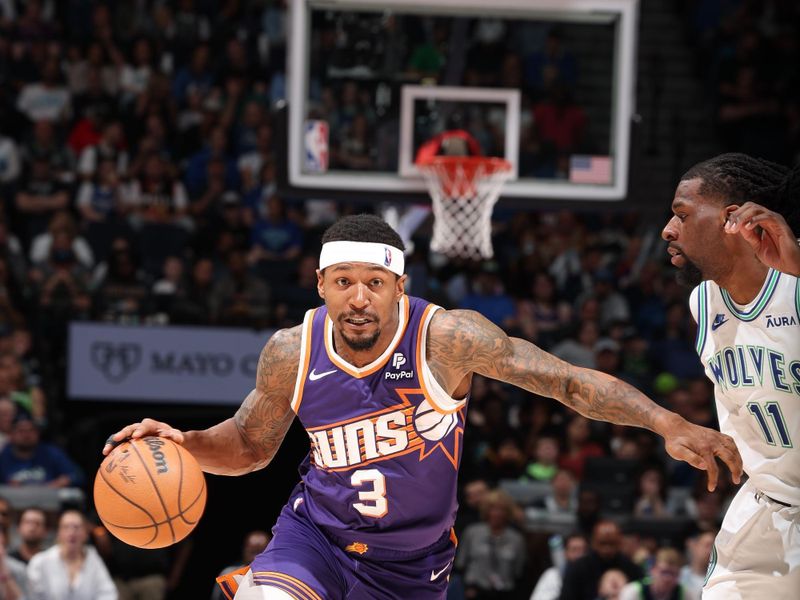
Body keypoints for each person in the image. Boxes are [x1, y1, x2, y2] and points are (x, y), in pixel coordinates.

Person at [105, 214, 741, 600]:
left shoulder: (447, 339)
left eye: (375, 284)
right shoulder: (290, 352)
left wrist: (668, 422)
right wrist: (184, 443)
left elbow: (567, 382)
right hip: (317, 536)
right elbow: (248, 446)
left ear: (399, 287)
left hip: (413, 566)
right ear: (321, 284)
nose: (359, 298)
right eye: (344, 282)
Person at [661, 152, 800, 598]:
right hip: (765, 515)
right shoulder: (704, 304)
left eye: (682, 214)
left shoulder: (795, 282)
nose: (668, 229)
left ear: (732, 219)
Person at [27, 509, 117, 600]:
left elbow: (108, 594)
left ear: (85, 534)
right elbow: (32, 595)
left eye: (76, 527)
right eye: (66, 527)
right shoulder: (40, 561)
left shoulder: (93, 560)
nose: (71, 532)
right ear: (59, 533)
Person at [455, 490, 526, 599]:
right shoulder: (472, 532)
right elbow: (461, 564)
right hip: (475, 592)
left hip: (505, 593)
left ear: (507, 513)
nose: (497, 513)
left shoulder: (516, 539)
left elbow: (518, 572)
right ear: (486, 511)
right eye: (493, 509)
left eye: (501, 510)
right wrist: (467, 588)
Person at [559, 520, 642, 600]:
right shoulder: (577, 569)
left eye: (612, 543)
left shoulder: (632, 569)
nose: (607, 549)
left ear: (620, 542)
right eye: (603, 543)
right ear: (593, 542)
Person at [618, 548, 698, 600]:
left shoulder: (687, 595)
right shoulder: (632, 592)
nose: (668, 578)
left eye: (673, 574)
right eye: (664, 572)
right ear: (653, 570)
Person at [212, 531, 271, 600]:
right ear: (244, 550)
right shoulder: (228, 575)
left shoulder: (278, 578)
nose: (255, 558)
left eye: (260, 552)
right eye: (252, 552)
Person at [530, 532, 587, 600]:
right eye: (574, 550)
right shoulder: (552, 575)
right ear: (566, 552)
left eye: (582, 550)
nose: (578, 555)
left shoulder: (593, 575)